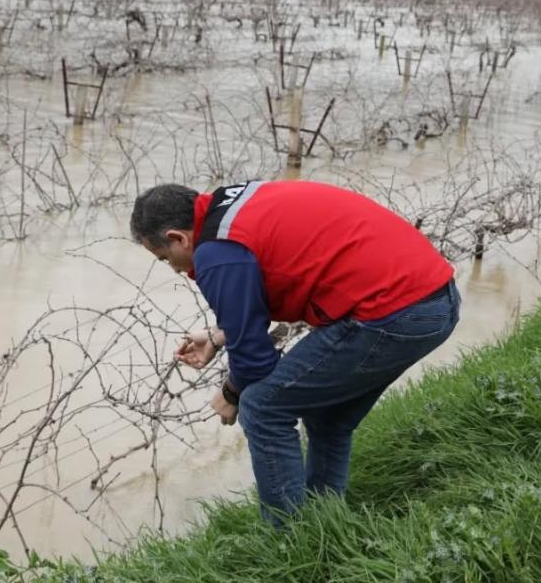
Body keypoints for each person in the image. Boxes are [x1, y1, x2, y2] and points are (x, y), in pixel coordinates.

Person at [129, 180, 460, 524]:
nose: (177, 270)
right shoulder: (228, 206)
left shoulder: (216, 253)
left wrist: (231, 393)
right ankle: (323, 525)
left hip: (395, 312)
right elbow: (274, 271)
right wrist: (218, 336)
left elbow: (255, 362)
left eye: (167, 258)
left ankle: (287, 541)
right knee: (327, 415)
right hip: (432, 297)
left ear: (178, 237)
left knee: (262, 406)